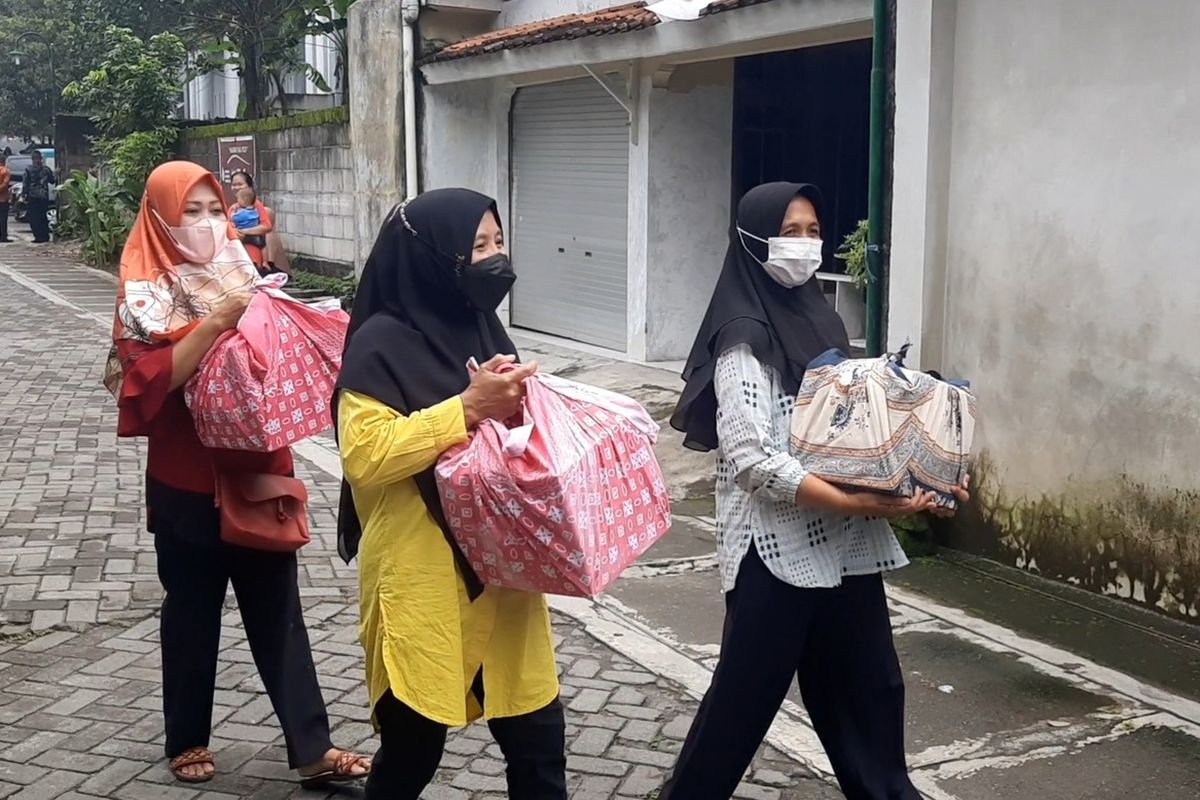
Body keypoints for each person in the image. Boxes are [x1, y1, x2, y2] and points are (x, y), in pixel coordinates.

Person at [662, 182, 969, 800]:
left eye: (811, 230)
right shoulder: (742, 334)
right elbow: (754, 462)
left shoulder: (821, 318)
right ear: (753, 240)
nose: (803, 245)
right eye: (789, 231)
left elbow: (852, 431)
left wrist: (907, 473)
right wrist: (856, 501)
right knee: (742, 704)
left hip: (846, 546)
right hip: (776, 552)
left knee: (870, 687)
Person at [106, 160, 371, 788]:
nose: (205, 224)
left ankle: (311, 748)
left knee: (278, 611)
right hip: (186, 480)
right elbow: (146, 387)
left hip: (258, 473)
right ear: (160, 219)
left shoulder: (242, 271)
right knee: (192, 608)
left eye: (213, 210)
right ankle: (187, 737)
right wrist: (218, 321)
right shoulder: (144, 293)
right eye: (189, 212)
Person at [335, 189, 567, 800]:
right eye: (477, 248)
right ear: (433, 258)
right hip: (424, 578)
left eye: (498, 242)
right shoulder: (380, 342)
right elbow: (365, 455)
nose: (495, 259)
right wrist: (465, 408)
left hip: (503, 573)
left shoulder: (483, 326)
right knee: (413, 748)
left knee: (539, 743)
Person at [229, 171, 290, 275]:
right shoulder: (233, 207)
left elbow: (266, 226)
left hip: (253, 245)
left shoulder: (256, 206)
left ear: (249, 186)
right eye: (234, 184)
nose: (236, 187)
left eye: (240, 184)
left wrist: (243, 231)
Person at [22, 150, 55, 244]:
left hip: (32, 197)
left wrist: (23, 195)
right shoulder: (46, 169)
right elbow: (52, 181)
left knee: (34, 218)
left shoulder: (29, 169)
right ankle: (45, 236)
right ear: (41, 158)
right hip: (43, 196)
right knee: (43, 217)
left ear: (32, 159)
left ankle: (38, 236)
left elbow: (25, 184)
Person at [230, 186, 268, 250]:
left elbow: (233, 218)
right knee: (263, 246)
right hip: (256, 235)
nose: (237, 201)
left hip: (244, 235)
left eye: (238, 199)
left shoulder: (243, 212)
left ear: (243, 201)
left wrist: (234, 211)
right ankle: (265, 259)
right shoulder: (255, 210)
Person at [0, 154, 11, 243]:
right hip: (3, 198)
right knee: (3, 218)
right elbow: (5, 183)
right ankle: (3, 236)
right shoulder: (5, 171)